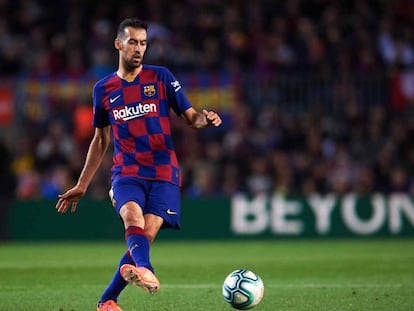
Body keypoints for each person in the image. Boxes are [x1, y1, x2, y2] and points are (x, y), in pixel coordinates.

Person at [55, 18, 222, 311]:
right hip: (127, 172)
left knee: (144, 237)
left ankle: (107, 300)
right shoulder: (103, 89)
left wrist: (205, 120)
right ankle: (147, 270)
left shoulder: (162, 77)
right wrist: (82, 184)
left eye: (143, 43)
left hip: (164, 172)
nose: (139, 49)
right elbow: (100, 140)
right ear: (118, 44)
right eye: (133, 42)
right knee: (133, 218)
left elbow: (191, 117)